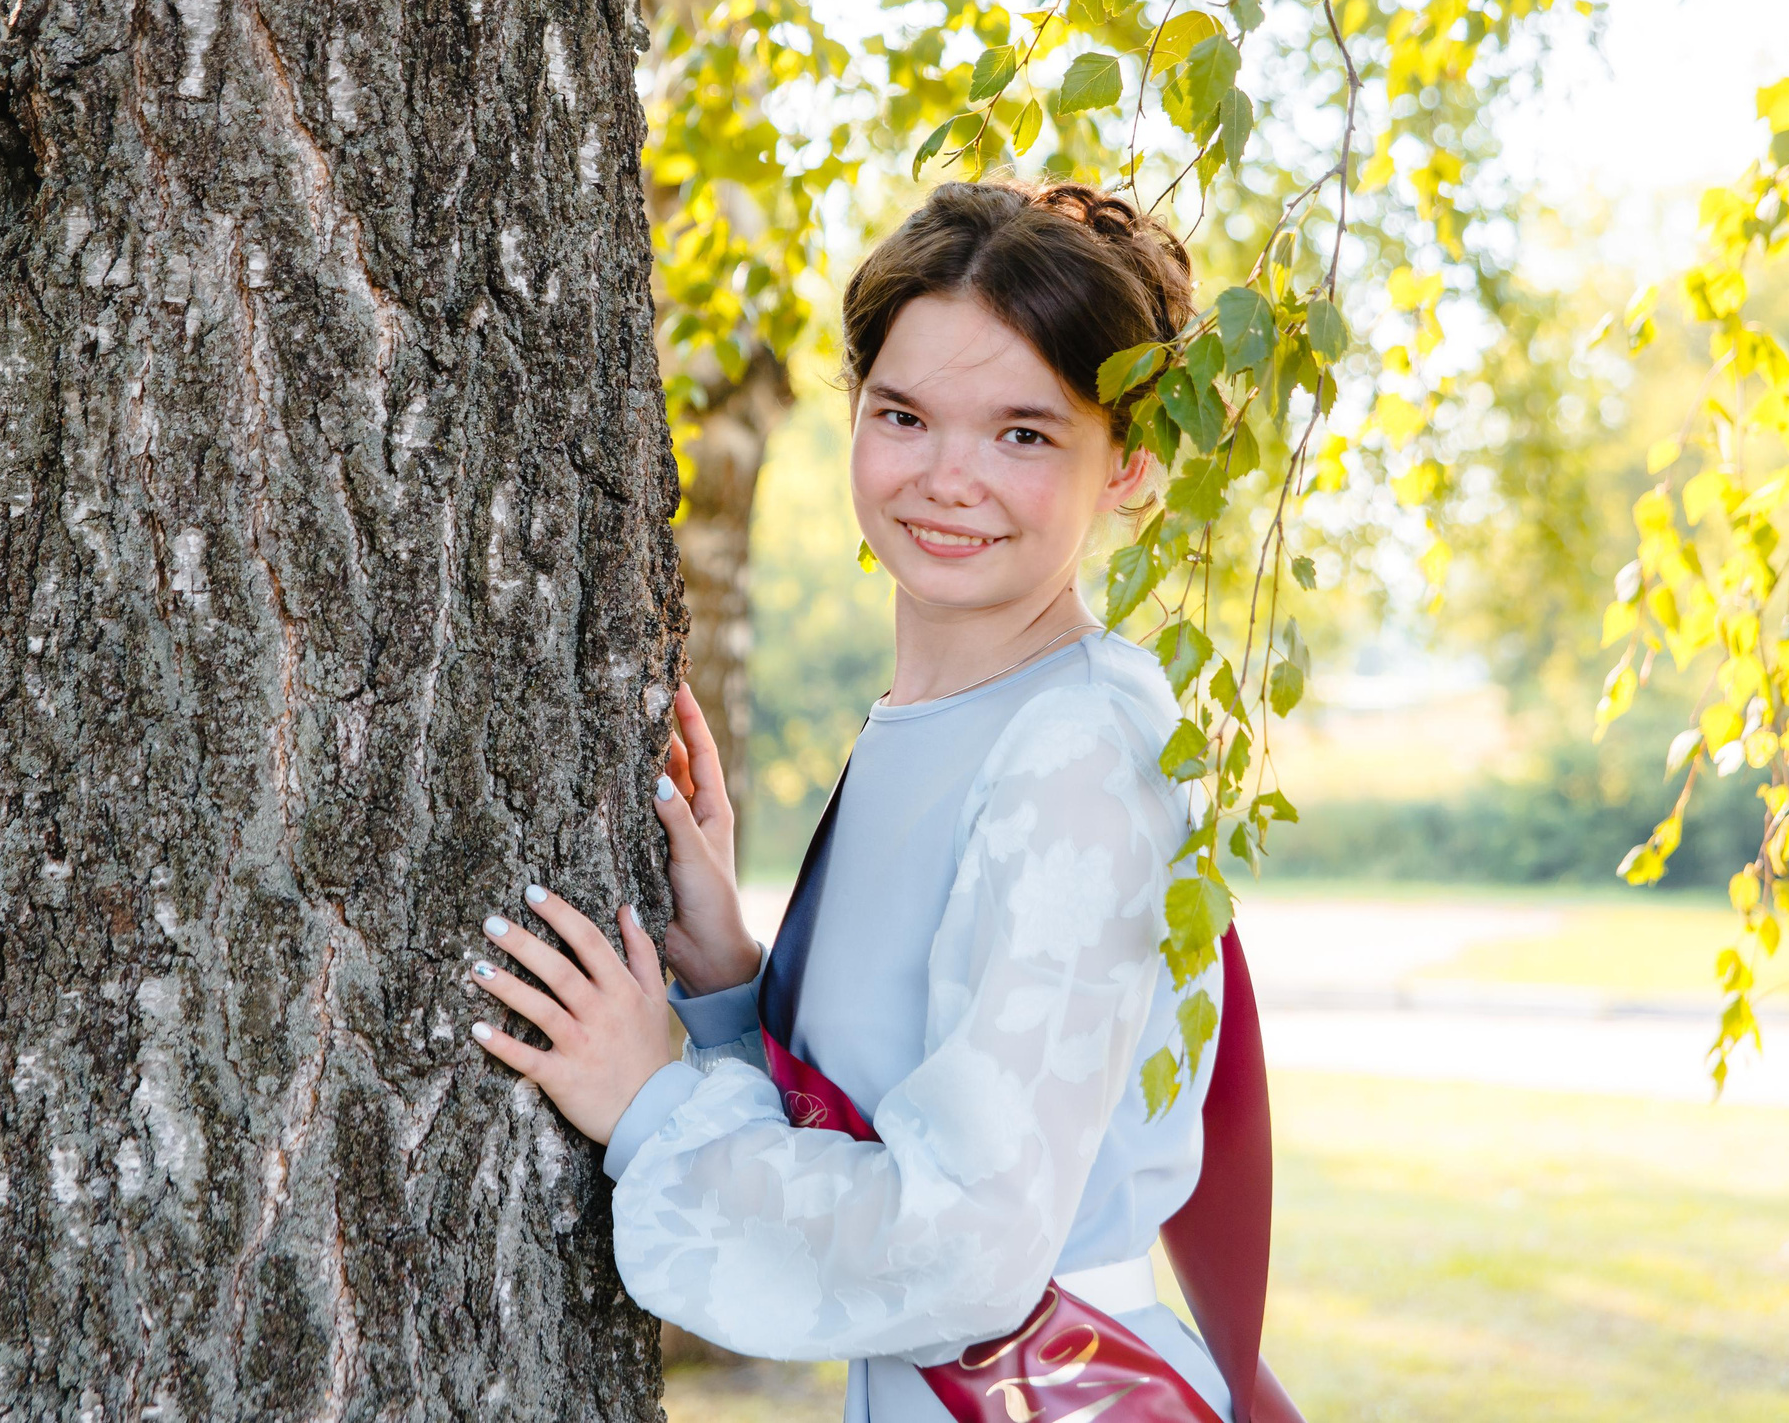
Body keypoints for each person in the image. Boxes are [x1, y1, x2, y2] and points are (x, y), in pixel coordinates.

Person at [466, 180, 1236, 1422]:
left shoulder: (1078, 754)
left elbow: (969, 1238)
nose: (948, 477)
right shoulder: (947, 718)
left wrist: (659, 1107)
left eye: (1024, 433)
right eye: (906, 415)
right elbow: (903, 1097)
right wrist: (729, 984)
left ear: (1131, 462)